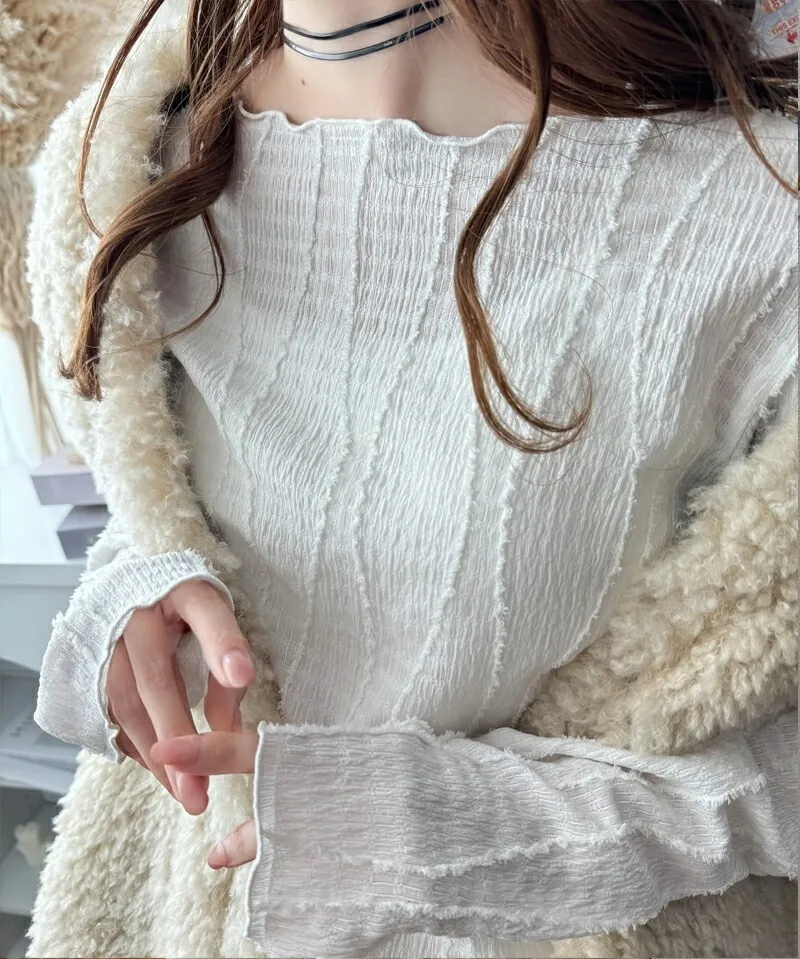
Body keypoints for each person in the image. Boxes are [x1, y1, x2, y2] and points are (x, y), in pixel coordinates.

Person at [27, 1, 798, 957]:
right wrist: (129, 602)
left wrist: (486, 832)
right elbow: (163, 504)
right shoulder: (129, 165)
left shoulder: (755, 211)